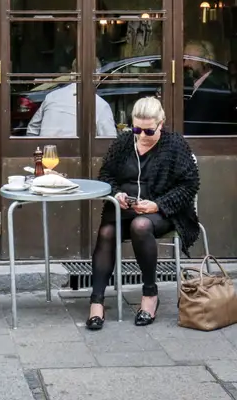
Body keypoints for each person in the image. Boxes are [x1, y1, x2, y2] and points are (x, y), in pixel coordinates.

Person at [86, 96, 200, 331]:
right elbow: (106, 174)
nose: (141, 135)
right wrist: (116, 194)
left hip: (164, 212)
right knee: (107, 231)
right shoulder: (124, 142)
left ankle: (150, 294)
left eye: (149, 130)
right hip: (125, 209)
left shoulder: (175, 145)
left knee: (141, 226)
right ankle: (96, 301)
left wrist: (157, 205)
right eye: (137, 128)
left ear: (161, 123)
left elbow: (189, 185)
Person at [27, 84, 117, 138]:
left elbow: (32, 131)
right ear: (98, 77)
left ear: (71, 75)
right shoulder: (100, 104)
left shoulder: (52, 96)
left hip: (47, 157)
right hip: (79, 159)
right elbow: (109, 140)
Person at [183, 40, 227, 135]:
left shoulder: (209, 90)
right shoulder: (200, 85)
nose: (185, 64)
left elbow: (192, 129)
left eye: (190, 58)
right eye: (185, 59)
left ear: (205, 61)